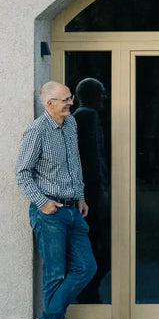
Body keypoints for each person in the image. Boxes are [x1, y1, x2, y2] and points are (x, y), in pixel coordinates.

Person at [15, 81, 97, 319]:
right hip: (50, 213)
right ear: (49, 104)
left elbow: (75, 163)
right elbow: (22, 173)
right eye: (64, 99)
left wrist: (81, 196)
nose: (70, 103)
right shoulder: (37, 131)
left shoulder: (70, 125)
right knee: (54, 273)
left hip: (73, 209)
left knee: (86, 267)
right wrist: (43, 203)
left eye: (70, 98)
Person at [72, 77, 111, 304]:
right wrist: (101, 189)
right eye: (102, 92)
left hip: (88, 192)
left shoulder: (82, 117)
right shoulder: (87, 116)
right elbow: (92, 157)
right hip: (90, 194)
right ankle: (88, 293)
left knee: (97, 244)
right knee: (99, 247)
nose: (105, 97)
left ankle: (89, 292)